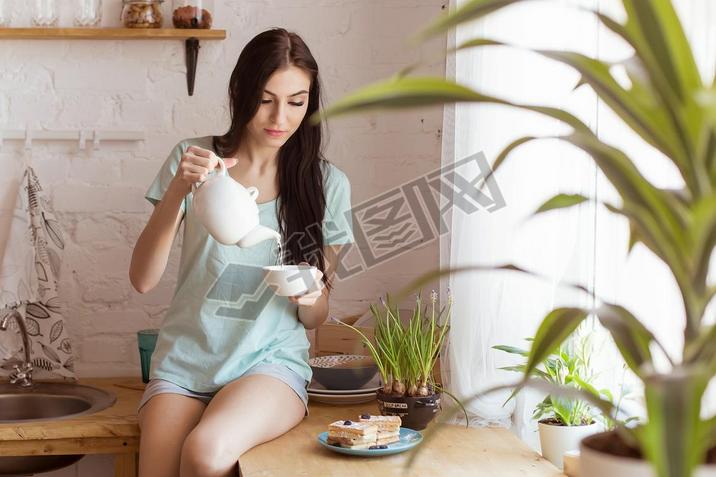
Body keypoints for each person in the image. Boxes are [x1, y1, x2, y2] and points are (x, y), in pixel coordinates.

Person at [129, 28, 354, 477]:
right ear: (240, 92)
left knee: (205, 452)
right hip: (184, 364)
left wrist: (310, 296)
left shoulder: (326, 185)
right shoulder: (193, 161)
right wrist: (179, 189)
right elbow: (143, 279)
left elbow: (315, 317)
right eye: (265, 98)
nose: (280, 117)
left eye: (297, 101)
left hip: (268, 366)